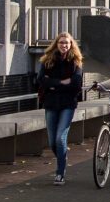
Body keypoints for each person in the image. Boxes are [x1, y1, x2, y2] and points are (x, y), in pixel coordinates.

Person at [36, 31, 87, 184]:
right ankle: (62, 158)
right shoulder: (47, 61)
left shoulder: (75, 62)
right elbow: (40, 80)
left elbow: (76, 83)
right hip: (51, 104)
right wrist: (62, 83)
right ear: (56, 45)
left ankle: (60, 173)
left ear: (71, 45)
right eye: (61, 42)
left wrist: (53, 83)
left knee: (60, 137)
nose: (64, 45)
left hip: (68, 104)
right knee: (52, 141)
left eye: (67, 43)